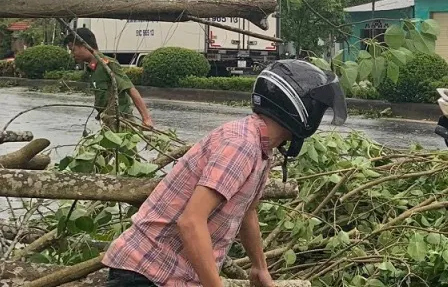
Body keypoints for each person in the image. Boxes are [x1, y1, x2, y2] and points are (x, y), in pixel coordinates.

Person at [102, 59, 347, 287]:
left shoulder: (261, 148)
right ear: (301, 111)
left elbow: (246, 209)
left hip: (169, 274)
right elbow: (191, 222)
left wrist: (259, 267)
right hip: (146, 272)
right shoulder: (241, 146)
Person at [64, 27, 153, 129]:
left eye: (73, 50)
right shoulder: (92, 69)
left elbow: (131, 89)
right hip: (108, 121)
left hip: (122, 121)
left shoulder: (108, 65)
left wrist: (146, 118)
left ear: (85, 46)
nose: (72, 54)